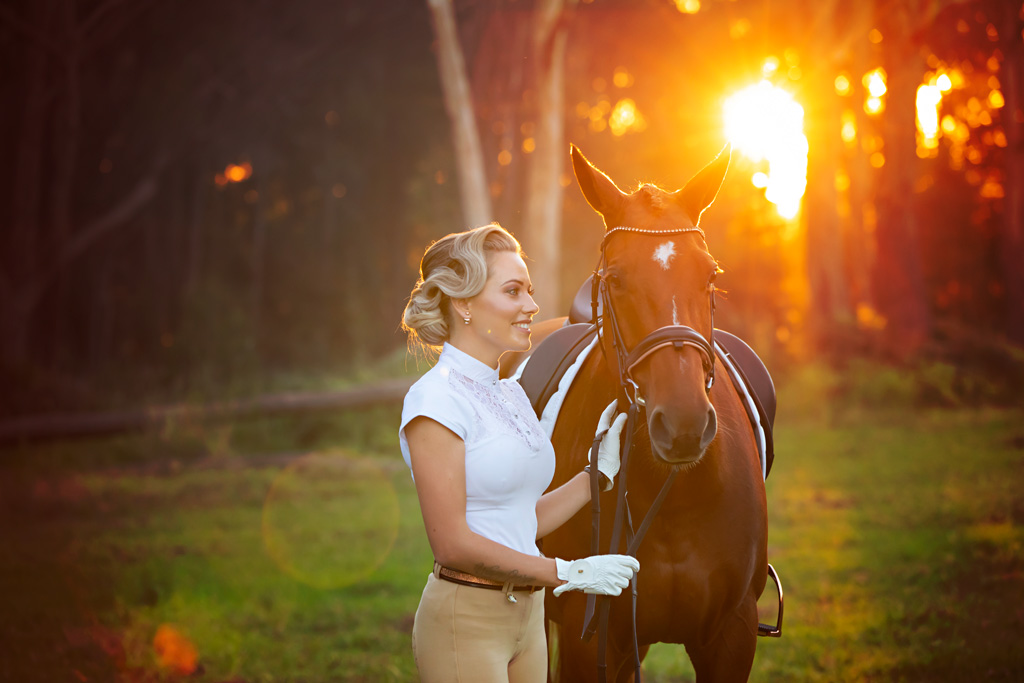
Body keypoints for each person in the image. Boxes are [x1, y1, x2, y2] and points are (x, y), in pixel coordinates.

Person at [398, 223, 639, 683]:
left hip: (529, 620)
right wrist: (567, 570)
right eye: (513, 292)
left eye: (529, 290)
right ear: (463, 303)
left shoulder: (510, 394)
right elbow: (452, 543)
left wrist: (595, 474)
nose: (532, 305)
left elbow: (520, 519)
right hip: (466, 621)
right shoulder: (435, 402)